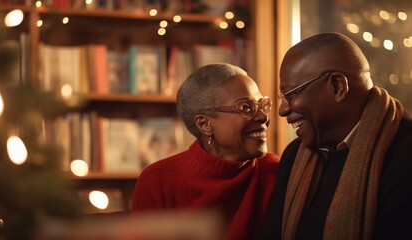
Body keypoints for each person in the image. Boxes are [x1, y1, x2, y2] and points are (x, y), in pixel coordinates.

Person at [260, 32, 412, 240]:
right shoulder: (294, 155)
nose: (283, 110)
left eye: (291, 94)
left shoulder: (404, 157)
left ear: (338, 86)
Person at [132, 63, 279, 240]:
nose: (263, 116)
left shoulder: (275, 171)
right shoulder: (157, 181)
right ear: (205, 124)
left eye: (262, 104)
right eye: (246, 107)